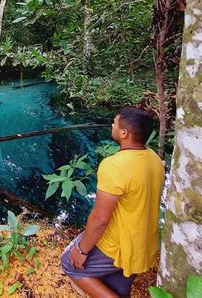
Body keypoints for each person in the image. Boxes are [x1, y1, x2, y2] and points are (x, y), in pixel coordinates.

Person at [61, 107, 165, 297]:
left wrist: (81, 250)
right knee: (117, 288)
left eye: (115, 123)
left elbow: (100, 218)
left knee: (69, 263)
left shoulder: (114, 166)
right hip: (144, 244)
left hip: (120, 246)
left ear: (124, 133)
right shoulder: (154, 159)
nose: (112, 125)